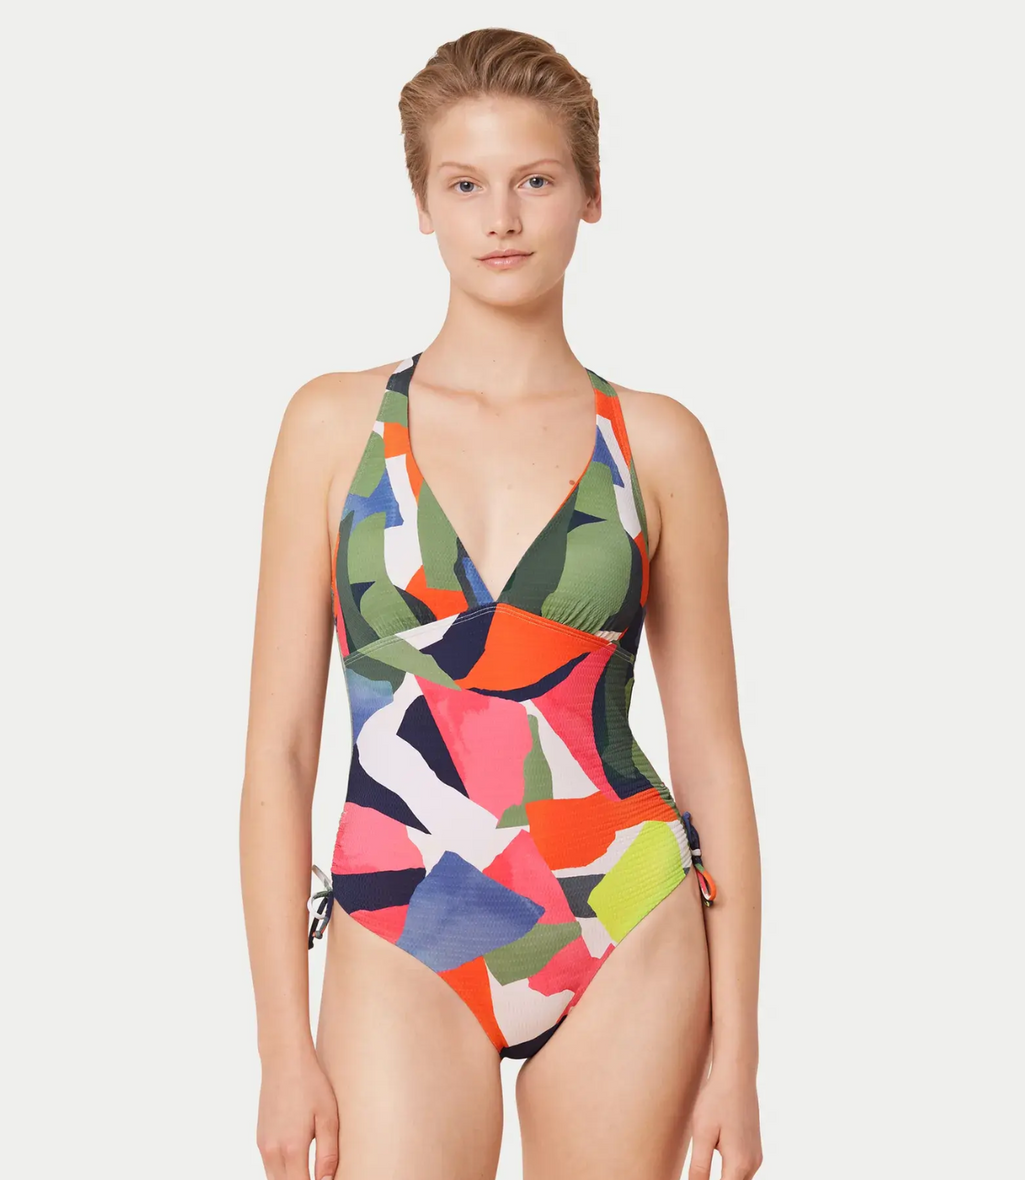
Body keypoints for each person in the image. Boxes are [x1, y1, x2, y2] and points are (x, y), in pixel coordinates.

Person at [240, 26, 763, 1180]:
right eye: (465, 185)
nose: (502, 218)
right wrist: (281, 1043)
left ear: (589, 194)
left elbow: (713, 754)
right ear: (423, 205)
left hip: (625, 908)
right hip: (403, 915)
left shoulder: (657, 443)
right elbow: (278, 749)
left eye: (535, 180)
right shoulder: (332, 427)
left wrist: (740, 1053)